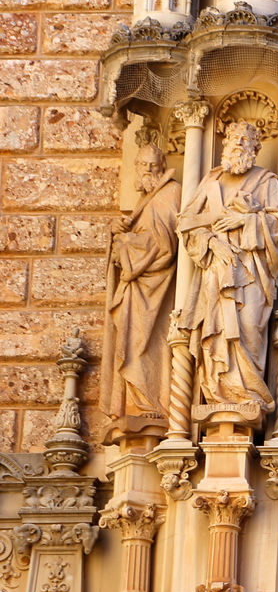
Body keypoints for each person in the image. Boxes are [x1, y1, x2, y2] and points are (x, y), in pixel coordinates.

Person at [179, 121, 278, 412]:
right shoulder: (211, 182)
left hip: (252, 271)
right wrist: (213, 243)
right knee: (215, 331)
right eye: (234, 138)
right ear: (225, 142)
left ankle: (248, 391)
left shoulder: (266, 182)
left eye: (246, 139)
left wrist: (245, 220)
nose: (239, 143)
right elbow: (187, 224)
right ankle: (218, 392)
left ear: (256, 147)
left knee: (249, 325)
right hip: (216, 269)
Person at [104, 137, 181, 436]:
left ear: (162, 168)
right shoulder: (145, 199)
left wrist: (127, 244)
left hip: (156, 291)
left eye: (153, 165)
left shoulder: (170, 193)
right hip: (136, 291)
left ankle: (153, 405)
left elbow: (165, 246)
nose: (147, 170)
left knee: (146, 345)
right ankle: (135, 404)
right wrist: (120, 234)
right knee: (131, 343)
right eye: (143, 165)